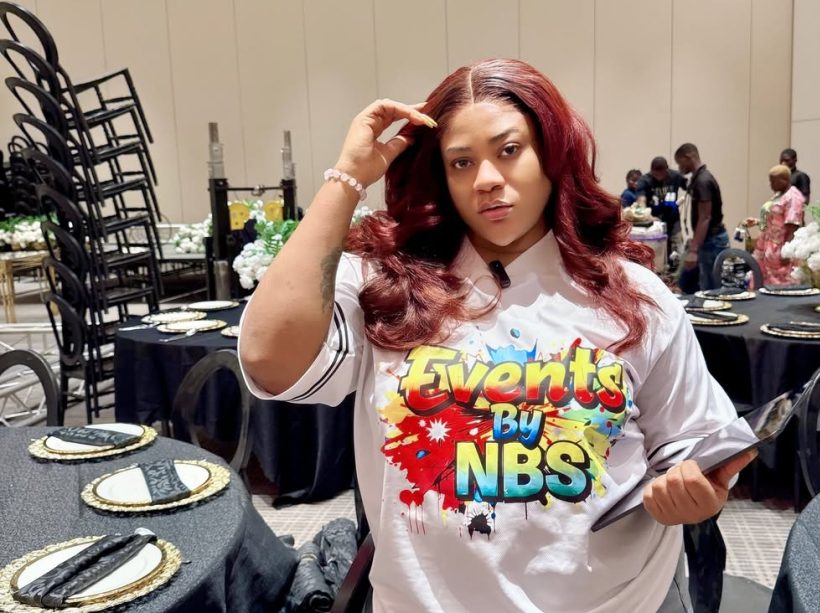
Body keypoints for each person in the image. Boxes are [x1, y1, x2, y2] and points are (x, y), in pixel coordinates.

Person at [239, 59, 752, 613]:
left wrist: (696, 494)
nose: (485, 179)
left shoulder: (631, 294)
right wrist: (346, 178)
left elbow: (695, 445)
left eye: (509, 150)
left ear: (552, 156)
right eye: (461, 162)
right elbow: (269, 359)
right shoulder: (386, 287)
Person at [675, 143, 728, 291]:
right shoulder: (700, 178)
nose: (679, 167)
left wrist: (693, 250)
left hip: (712, 241)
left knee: (710, 290)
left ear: (688, 157)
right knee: (697, 284)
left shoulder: (702, 181)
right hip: (708, 239)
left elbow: (705, 217)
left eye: (680, 162)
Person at [744, 165, 806, 285]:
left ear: (784, 180)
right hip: (767, 246)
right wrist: (758, 222)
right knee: (761, 281)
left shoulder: (793, 198)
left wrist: (786, 253)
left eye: (773, 181)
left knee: (779, 283)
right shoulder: (779, 194)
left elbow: (792, 228)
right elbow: (776, 220)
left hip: (781, 248)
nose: (770, 185)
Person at [635, 157, 687, 264]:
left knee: (678, 246)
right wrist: (648, 216)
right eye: (656, 174)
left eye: (661, 174)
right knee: (658, 248)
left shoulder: (675, 176)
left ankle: (678, 268)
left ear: (667, 170)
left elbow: (690, 187)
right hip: (655, 220)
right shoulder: (645, 180)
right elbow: (641, 201)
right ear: (651, 171)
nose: (659, 177)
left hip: (673, 218)